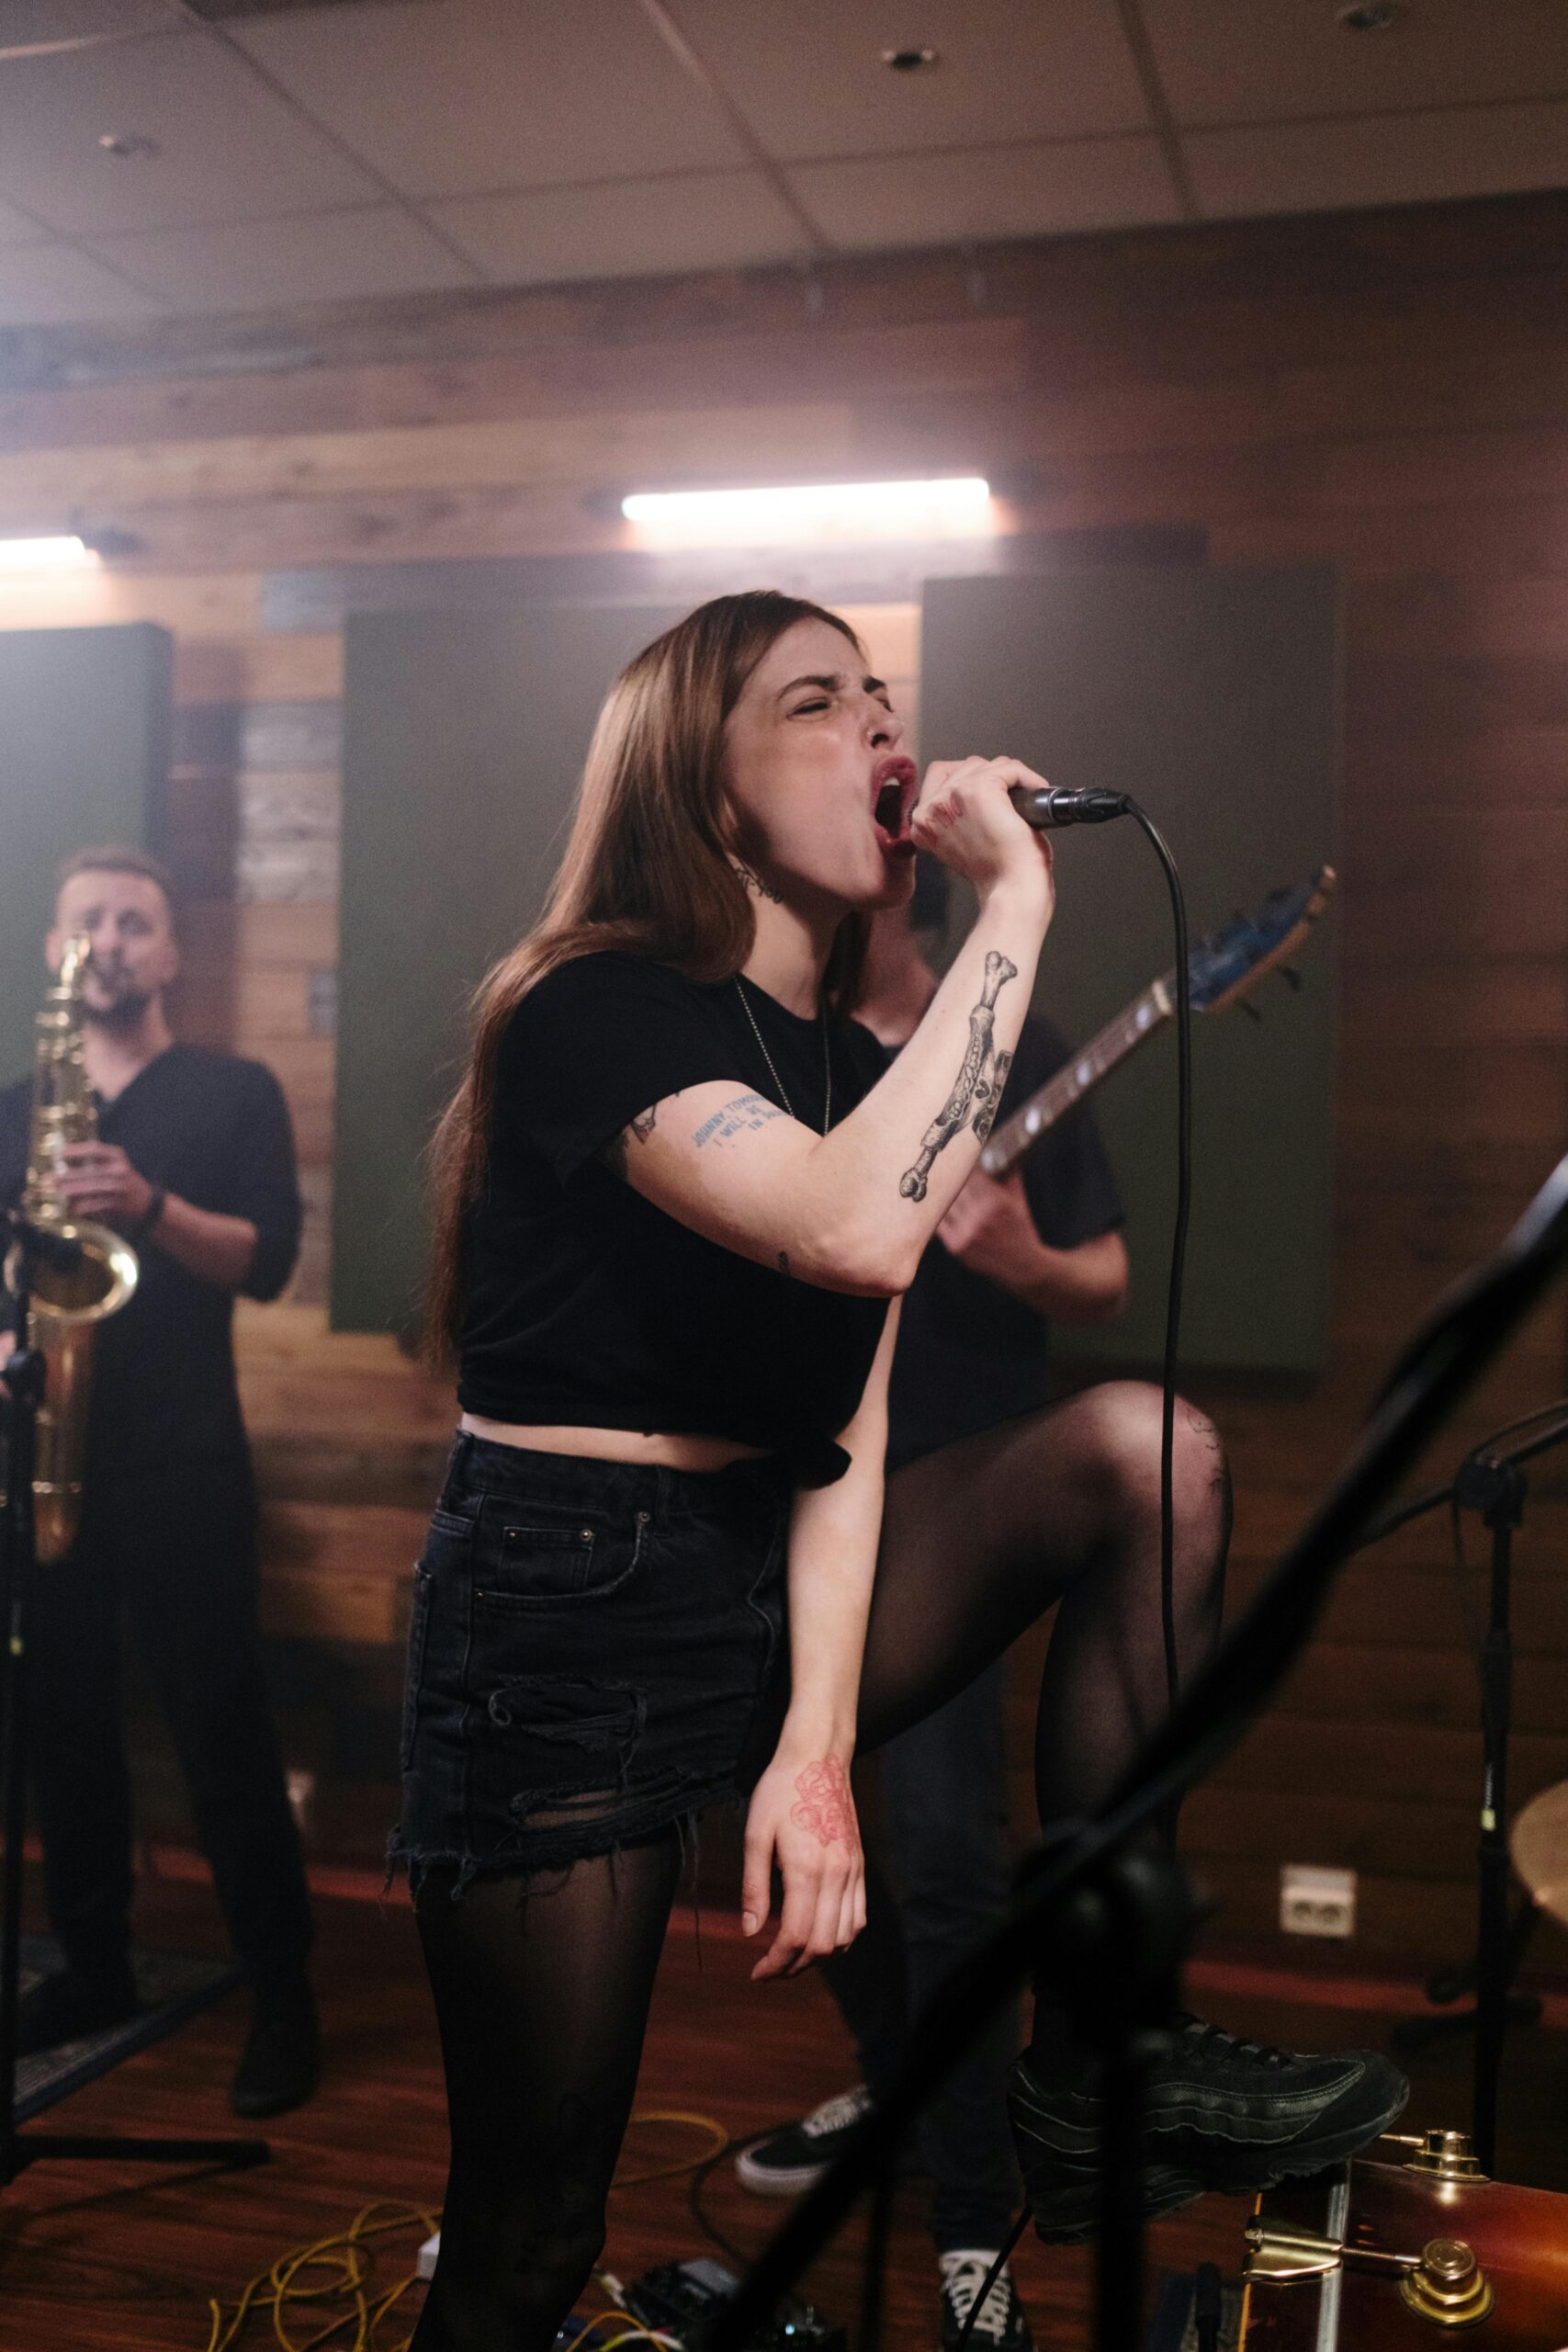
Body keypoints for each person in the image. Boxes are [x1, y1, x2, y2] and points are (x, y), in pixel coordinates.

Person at [396, 593, 1405, 2352]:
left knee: (1147, 1453)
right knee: (534, 2223)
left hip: (749, 1566)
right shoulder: (592, 1008)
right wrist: (1017, 900)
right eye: (817, 701)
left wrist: (815, 1751)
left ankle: (1099, 2056)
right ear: (701, 788)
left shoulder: (858, 1067)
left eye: (883, 693)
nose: (883, 724)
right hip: (561, 1616)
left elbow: (847, 1432)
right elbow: (854, 1232)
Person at [736, 858, 1132, 2352]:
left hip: (955, 1500)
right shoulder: (772, 1036)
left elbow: (1106, 1277)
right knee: (785, 1818)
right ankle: (903, 2074)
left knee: (953, 1850)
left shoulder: (1022, 1047)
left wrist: (1023, 1256)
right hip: (789, 1488)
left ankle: (973, 2215)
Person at [0, 846, 318, 2118]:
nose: (111, 941)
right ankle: (91, 1966)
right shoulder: (20, 1104)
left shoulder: (233, 1092)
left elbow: (268, 1262)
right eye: (89, 921)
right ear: (54, 950)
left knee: (221, 1733)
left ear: (172, 953)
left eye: (136, 922)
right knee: (65, 1730)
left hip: (185, 1459)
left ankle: (282, 1995)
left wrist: (147, 1203)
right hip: (46, 1460)